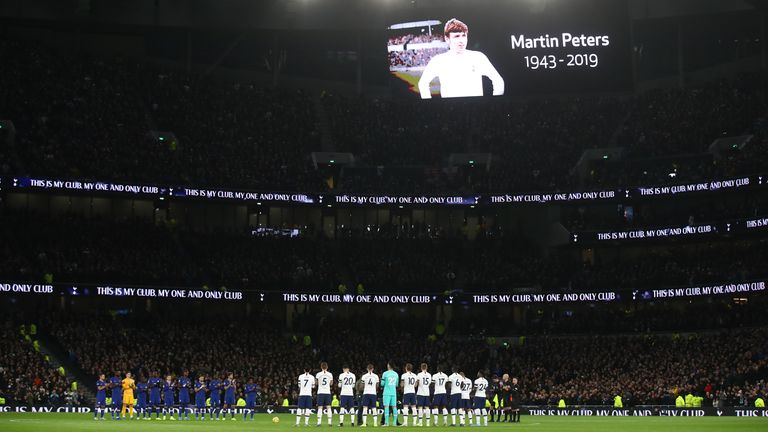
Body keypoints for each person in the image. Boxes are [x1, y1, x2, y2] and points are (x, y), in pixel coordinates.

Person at [418, 18, 504, 99]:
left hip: (476, 110)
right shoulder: (438, 61)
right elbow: (423, 83)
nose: (461, 40)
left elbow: (498, 81)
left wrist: (493, 103)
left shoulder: (478, 57)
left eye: (464, 35)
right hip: (450, 111)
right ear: (447, 39)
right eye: (457, 36)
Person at [381, 362, 399, 426]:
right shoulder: (396, 374)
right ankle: (394, 423)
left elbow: (382, 384)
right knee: (394, 407)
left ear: (388, 366)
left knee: (386, 407)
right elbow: (397, 384)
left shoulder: (385, 373)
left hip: (386, 392)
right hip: (393, 392)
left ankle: (386, 423)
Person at [316, 362, 334, 426]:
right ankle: (329, 423)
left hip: (320, 392)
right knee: (328, 407)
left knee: (320, 407)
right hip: (327, 392)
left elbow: (317, 383)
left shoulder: (318, 374)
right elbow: (331, 383)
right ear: (327, 367)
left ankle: (319, 423)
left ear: (321, 367)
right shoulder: (330, 374)